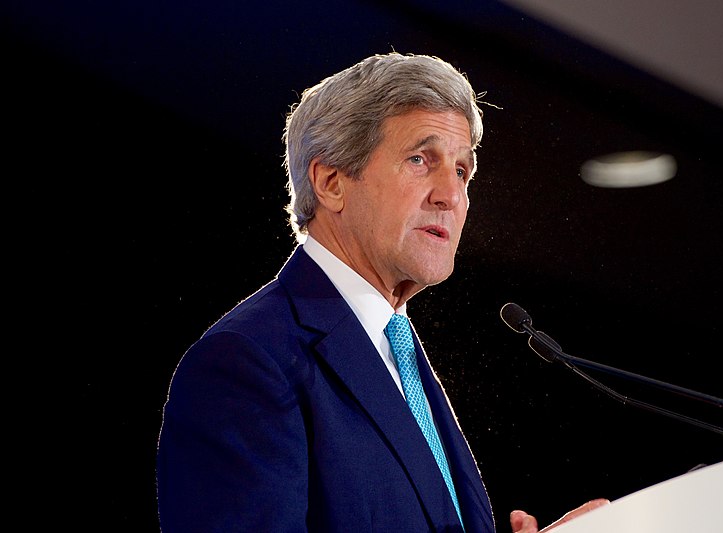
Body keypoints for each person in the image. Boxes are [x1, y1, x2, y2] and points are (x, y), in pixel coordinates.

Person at [156, 51, 607, 532]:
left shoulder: (398, 352)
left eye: (460, 171)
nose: (450, 196)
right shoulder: (248, 362)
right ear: (331, 183)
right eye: (420, 159)